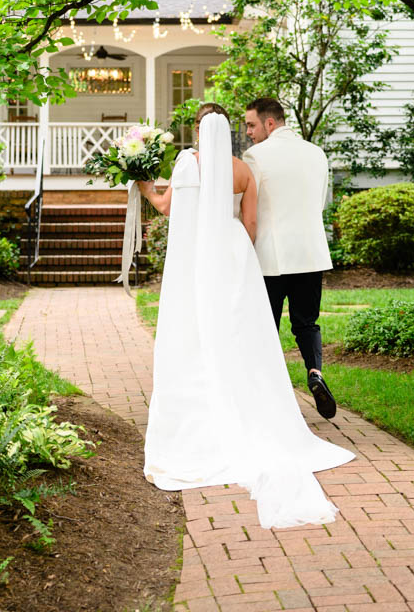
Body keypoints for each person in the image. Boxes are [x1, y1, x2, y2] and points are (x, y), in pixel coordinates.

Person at [134, 104, 354, 529]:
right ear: (230, 130)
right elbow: (250, 223)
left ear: (200, 131)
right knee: (270, 328)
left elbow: (165, 208)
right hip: (251, 252)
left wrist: (142, 184)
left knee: (222, 329)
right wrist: (238, 253)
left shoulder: (190, 164)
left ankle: (213, 389)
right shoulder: (249, 168)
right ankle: (293, 375)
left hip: (209, 259)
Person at [241, 97, 338, 419]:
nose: (248, 133)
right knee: (307, 323)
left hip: (270, 256)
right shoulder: (317, 153)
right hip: (310, 253)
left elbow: (248, 207)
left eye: (252, 125)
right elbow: (321, 203)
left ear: (271, 123)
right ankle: (315, 372)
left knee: (266, 325)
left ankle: (268, 394)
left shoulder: (255, 156)